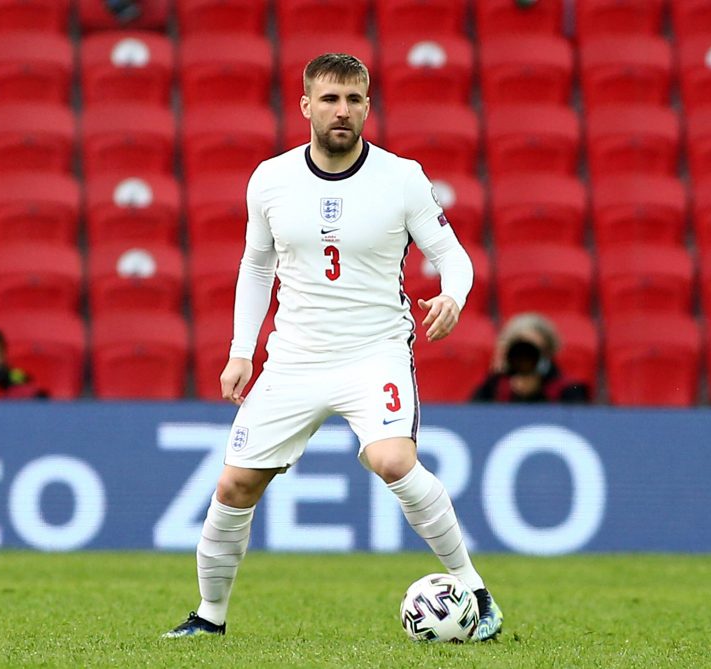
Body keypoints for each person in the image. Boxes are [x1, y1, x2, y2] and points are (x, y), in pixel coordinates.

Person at [165, 53, 503, 642]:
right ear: (305, 106)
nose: (342, 111)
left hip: (374, 351)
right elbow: (256, 264)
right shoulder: (270, 178)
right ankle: (209, 617)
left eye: (353, 100)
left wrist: (453, 294)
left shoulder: (402, 177)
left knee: (392, 460)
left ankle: (475, 591)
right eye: (329, 99)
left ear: (368, 106)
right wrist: (241, 349)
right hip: (294, 356)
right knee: (233, 486)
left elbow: (454, 257)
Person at [471, 313, 589, 404]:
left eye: (534, 349)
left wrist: (535, 392)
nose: (527, 357)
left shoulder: (569, 390)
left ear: (548, 352)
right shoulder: (494, 386)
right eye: (521, 349)